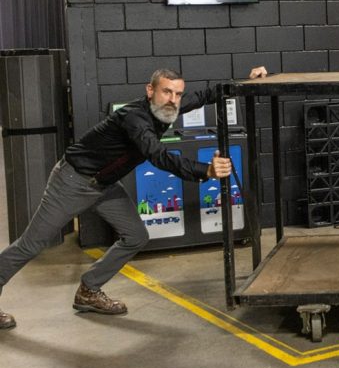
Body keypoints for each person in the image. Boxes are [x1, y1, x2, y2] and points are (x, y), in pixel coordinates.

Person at [0, 66, 268, 330]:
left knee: (136, 236)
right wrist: (205, 170)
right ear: (150, 90)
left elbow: (206, 95)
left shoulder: (168, 107)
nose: (173, 100)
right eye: (166, 92)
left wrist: (246, 81)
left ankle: (88, 291)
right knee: (31, 245)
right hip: (73, 181)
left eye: (177, 94)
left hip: (103, 184)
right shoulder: (135, 118)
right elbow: (157, 156)